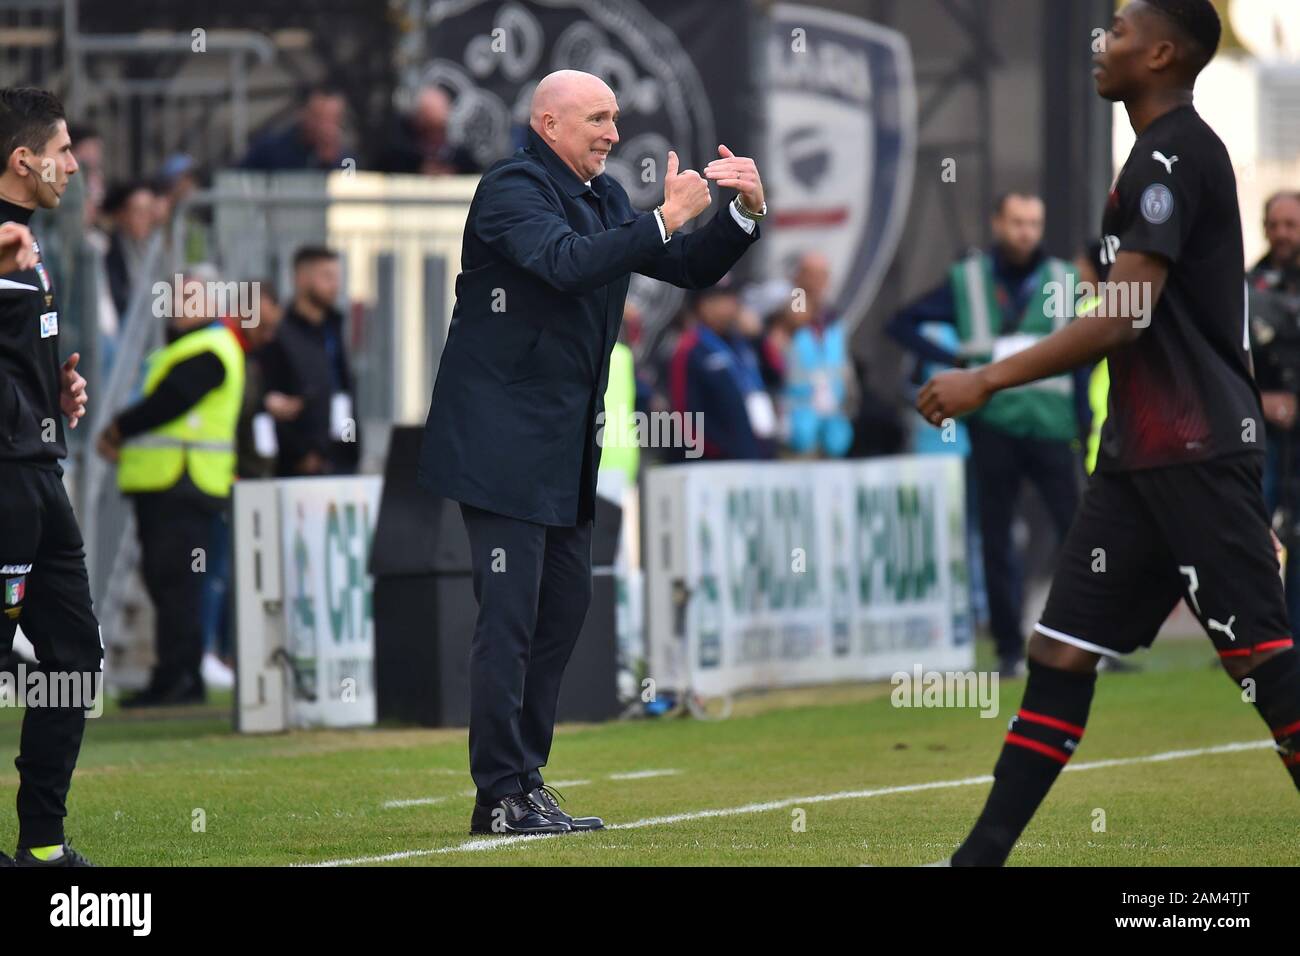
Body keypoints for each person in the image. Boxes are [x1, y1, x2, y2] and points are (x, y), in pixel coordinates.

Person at [919, 0, 1300, 866]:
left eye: (1121, 30)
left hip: (1197, 449)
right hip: (1138, 455)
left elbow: (1125, 313)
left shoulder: (1173, 152)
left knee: (1262, 663)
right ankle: (975, 860)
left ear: (1164, 53)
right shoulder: (1150, 153)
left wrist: (986, 376)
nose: (1104, 40)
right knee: (1059, 649)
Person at [418, 69, 764, 835]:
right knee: (509, 616)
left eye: (614, 118)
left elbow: (684, 267)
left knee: (563, 608)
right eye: (598, 119)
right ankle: (500, 795)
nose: (613, 132)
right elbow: (568, 262)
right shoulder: (510, 188)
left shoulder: (602, 196)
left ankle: (523, 782)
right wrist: (665, 219)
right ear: (549, 123)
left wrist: (742, 216)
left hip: (564, 445)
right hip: (500, 442)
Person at [892, 192, 1088, 675]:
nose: (1026, 231)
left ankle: (1087, 639)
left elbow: (1087, 351)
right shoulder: (969, 280)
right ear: (997, 222)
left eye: (1034, 223)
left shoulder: (1066, 279)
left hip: (1050, 427)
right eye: (1017, 222)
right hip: (993, 426)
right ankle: (1007, 649)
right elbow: (901, 324)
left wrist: (1083, 422)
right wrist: (956, 362)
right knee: (996, 539)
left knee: (1080, 535)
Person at [0, 86, 98, 867]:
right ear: (22, 159)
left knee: (73, 659)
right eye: (63, 150)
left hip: (41, 475)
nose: (73, 165)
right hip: (1, 483)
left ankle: (41, 843)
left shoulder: (31, 246)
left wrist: (52, 389)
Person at [97, 272, 245, 707]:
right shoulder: (184, 347)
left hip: (182, 482)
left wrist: (118, 429)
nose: (179, 303)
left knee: (178, 585)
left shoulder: (209, 348)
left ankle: (178, 680)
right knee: (171, 584)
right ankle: (177, 677)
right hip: (169, 482)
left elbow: (168, 402)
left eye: (189, 296)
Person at [258, 246, 359, 476]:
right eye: (327, 277)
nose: (335, 286)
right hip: (299, 468)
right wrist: (300, 454)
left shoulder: (334, 328)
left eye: (337, 277)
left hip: (339, 459)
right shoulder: (279, 335)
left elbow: (342, 393)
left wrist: (347, 448)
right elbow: (270, 400)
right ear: (302, 279)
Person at [669, 280, 777, 461]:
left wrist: (760, 338)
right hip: (717, 464)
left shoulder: (744, 342)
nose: (734, 305)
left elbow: (777, 374)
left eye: (734, 298)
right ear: (704, 305)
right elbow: (684, 413)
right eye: (725, 299)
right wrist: (720, 452)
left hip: (757, 454)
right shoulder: (690, 348)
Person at [781, 251, 855, 458]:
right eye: (809, 274)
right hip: (796, 428)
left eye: (822, 275)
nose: (816, 282)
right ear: (797, 277)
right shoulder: (786, 315)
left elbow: (843, 368)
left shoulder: (833, 321)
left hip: (833, 426)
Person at [378, 85, 480, 176]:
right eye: (429, 130)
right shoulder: (399, 157)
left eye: (439, 130)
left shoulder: (462, 160)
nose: (434, 138)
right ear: (417, 122)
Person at [240, 87, 346, 172]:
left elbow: (348, 190)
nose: (326, 126)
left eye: (333, 119)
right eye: (319, 117)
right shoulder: (270, 149)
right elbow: (236, 180)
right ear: (303, 114)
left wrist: (329, 162)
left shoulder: (346, 158)